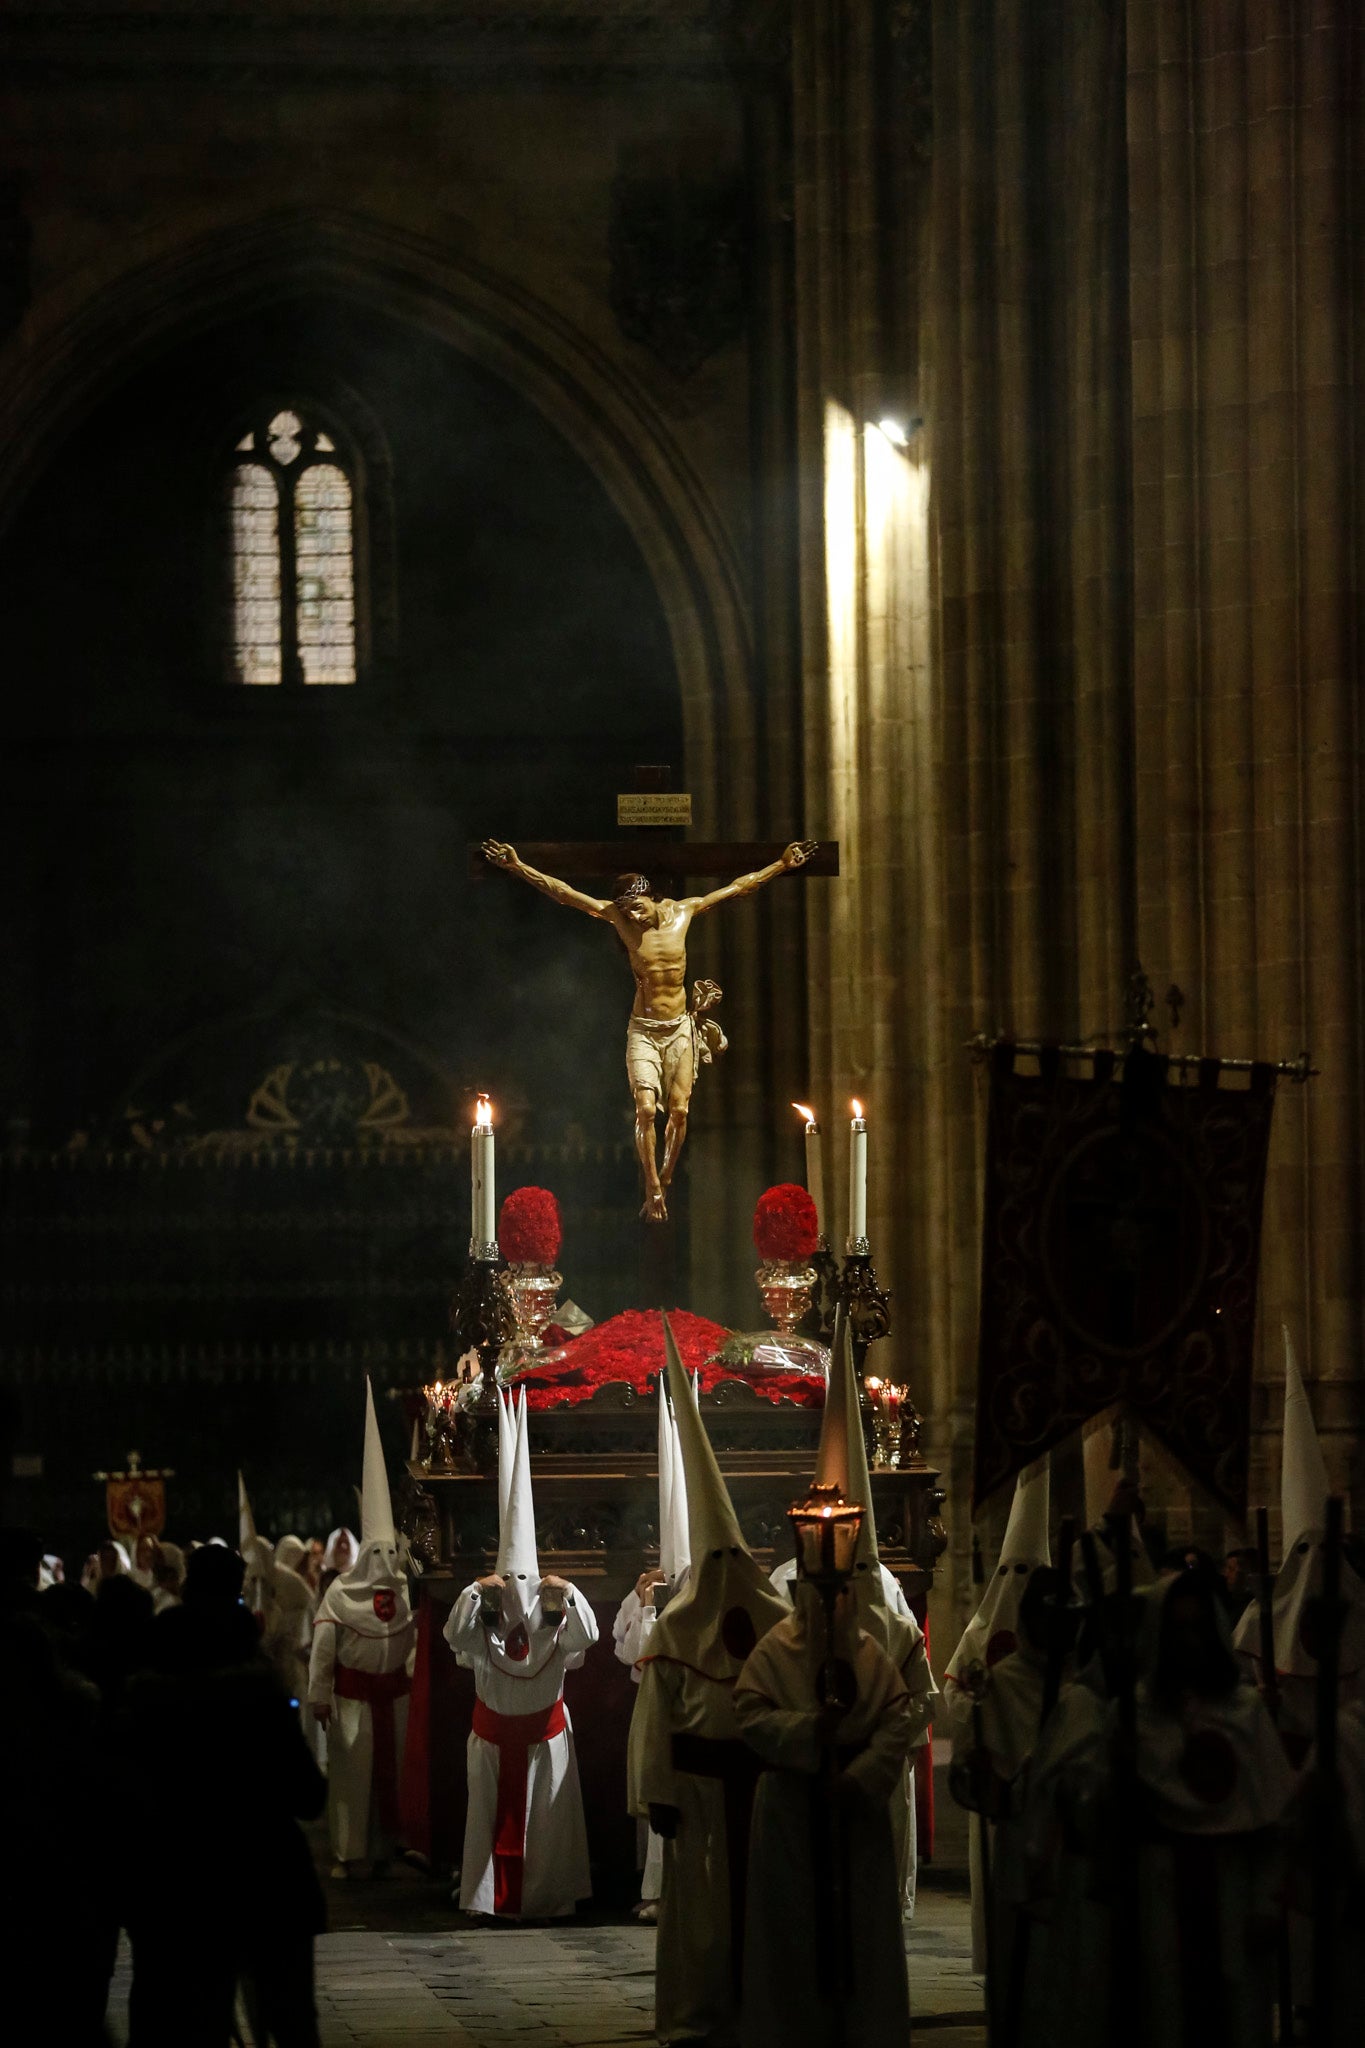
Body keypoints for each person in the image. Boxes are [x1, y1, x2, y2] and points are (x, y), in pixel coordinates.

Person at [481, 836, 817, 1220]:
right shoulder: (619, 919)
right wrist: (517, 866)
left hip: (679, 1029)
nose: (635, 917)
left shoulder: (683, 912)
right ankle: (652, 1186)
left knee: (679, 1112)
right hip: (644, 1028)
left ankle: (667, 1179)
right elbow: (565, 894)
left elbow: (736, 888)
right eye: (627, 911)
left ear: (650, 897)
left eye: (638, 907)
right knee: (644, 1109)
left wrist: (781, 865)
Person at [1026, 1571, 1295, 2048]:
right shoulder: (1136, 1713)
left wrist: (1266, 1901)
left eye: (1197, 1629)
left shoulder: (1244, 1711)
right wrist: (1111, 1778)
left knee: (1232, 2020)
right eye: (1177, 1630)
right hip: (1157, 1893)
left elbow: (1274, 1820)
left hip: (1230, 1892)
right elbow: (1093, 1821)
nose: (1188, 1642)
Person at [628, 1318, 790, 2045]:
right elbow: (655, 1718)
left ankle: (763, 2005)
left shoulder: (777, 1618)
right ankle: (697, 2013)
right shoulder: (676, 1628)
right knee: (698, 1913)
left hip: (762, 1787)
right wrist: (654, 1792)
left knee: (761, 1908)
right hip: (697, 1794)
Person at [121, 1542, 326, 2048]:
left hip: (181, 1881)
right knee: (289, 2019)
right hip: (264, 1875)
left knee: (189, 2023)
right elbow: (308, 1794)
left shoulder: (148, 1699)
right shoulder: (256, 1694)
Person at [768, 1311, 937, 1916]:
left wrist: (875, 1755)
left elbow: (921, 1699)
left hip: (872, 1779)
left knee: (872, 1913)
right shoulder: (783, 1591)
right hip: (805, 1776)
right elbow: (755, 1701)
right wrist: (807, 1734)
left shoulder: (886, 1601)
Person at [734, 1574, 913, 2048]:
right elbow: (750, 1716)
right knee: (791, 1933)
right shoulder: (775, 1652)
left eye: (840, 1596)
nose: (831, 1607)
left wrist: (859, 1776)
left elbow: (899, 1722)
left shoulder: (870, 1654)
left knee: (863, 1935)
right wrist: (810, 1731)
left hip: (855, 1813)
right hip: (791, 1811)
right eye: (822, 1596)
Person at [445, 1387, 597, 1920]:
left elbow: (588, 1640)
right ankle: (490, 1898)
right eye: (509, 1576)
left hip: (543, 1738)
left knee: (548, 1825)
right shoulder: (484, 1612)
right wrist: (473, 1592)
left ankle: (546, 1897)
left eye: (525, 1577)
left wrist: (570, 1594)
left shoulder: (553, 1614)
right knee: (489, 1820)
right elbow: (455, 1638)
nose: (517, 1586)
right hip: (493, 1740)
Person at [1232, 1328, 1365, 1759]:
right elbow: (1232, 1697)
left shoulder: (1358, 1610)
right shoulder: (1258, 1622)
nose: (1312, 1566)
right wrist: (1259, 1702)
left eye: (1322, 1550)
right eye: (1303, 1552)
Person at [943, 1458, 1050, 1972]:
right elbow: (951, 1694)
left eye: (1024, 1573)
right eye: (1008, 1573)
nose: (1013, 1584)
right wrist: (981, 1715)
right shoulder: (979, 1635)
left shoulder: (1060, 1644)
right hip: (1001, 1780)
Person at [308, 1384, 416, 1879]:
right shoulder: (339, 1595)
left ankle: (388, 1848)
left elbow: (412, 1643)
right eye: (377, 1554)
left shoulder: (407, 1594)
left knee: (392, 1778)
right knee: (353, 1779)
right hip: (352, 1698)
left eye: (390, 1553)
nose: (385, 1563)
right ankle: (349, 1854)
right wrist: (320, 1696)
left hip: (394, 1698)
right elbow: (324, 1649)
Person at [614, 1372, 690, 1922]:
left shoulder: (712, 1596)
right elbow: (629, 1654)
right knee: (652, 1796)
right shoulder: (641, 1593)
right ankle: (655, 1886)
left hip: (694, 1707)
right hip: (653, 1704)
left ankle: (684, 1888)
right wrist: (643, 1604)